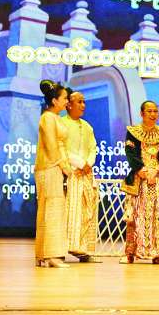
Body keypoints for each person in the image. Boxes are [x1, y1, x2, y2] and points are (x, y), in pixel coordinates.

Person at [120, 101, 159, 264]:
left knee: (158, 216)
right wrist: (141, 170)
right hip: (139, 179)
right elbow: (131, 153)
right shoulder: (133, 132)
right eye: (149, 111)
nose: (153, 114)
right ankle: (131, 253)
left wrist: (157, 170)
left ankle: (158, 254)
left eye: (155, 111)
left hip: (157, 179)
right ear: (142, 113)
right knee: (134, 216)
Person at [34, 80, 71, 268]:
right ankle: (52, 255)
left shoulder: (54, 117)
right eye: (64, 98)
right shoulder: (48, 118)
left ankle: (43, 254)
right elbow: (51, 145)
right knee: (52, 209)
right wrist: (63, 166)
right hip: (50, 167)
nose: (67, 101)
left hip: (53, 167)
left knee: (50, 209)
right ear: (55, 101)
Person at [62, 90, 100, 263]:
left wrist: (88, 164)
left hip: (85, 174)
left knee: (87, 212)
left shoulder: (87, 126)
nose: (83, 105)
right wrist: (79, 163)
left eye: (84, 102)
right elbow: (62, 149)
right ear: (69, 105)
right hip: (69, 173)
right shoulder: (62, 124)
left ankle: (83, 250)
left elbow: (93, 148)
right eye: (79, 102)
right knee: (68, 212)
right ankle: (62, 248)